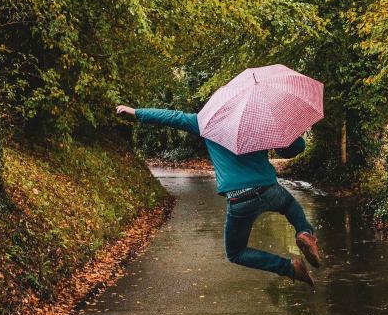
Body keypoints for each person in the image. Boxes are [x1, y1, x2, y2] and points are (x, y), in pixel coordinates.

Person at [116, 105, 320, 287]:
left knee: (236, 253)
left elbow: (172, 117)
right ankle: (304, 233)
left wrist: (136, 112)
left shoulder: (206, 122)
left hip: (240, 198)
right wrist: (287, 131)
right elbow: (295, 148)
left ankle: (290, 268)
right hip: (268, 188)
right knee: (290, 206)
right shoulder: (257, 122)